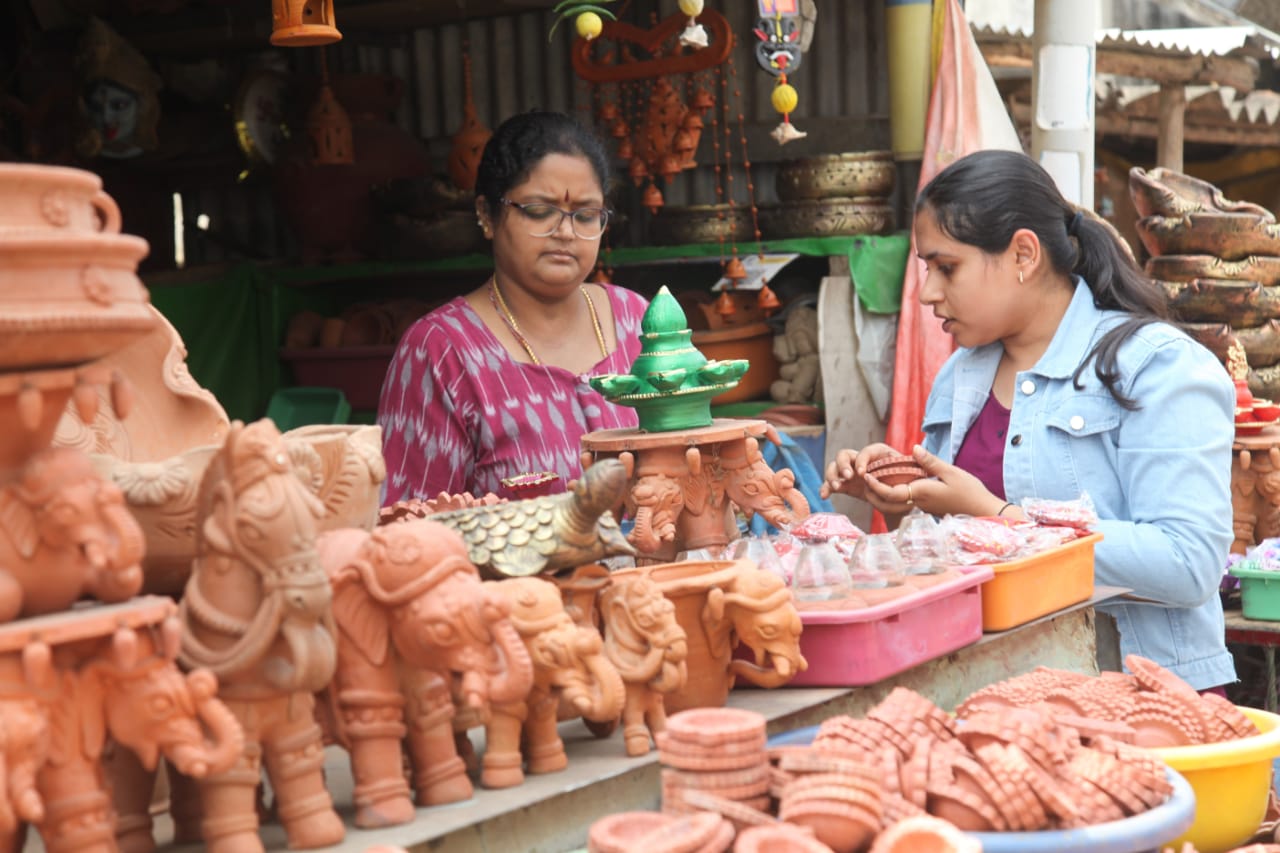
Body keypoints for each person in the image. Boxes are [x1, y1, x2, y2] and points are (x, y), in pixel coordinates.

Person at [822, 149, 1236, 692]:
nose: (927, 293)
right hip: (994, 695)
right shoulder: (959, 376)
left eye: (947, 267)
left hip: (1141, 702)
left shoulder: (1152, 365)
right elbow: (950, 555)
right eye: (927, 269)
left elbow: (1189, 563)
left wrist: (1002, 519)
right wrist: (906, 498)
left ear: (1023, 253)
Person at [378, 110, 648, 502]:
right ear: (487, 215)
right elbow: (408, 531)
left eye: (587, 216)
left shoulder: (637, 320)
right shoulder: (441, 352)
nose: (566, 232)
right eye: (540, 211)